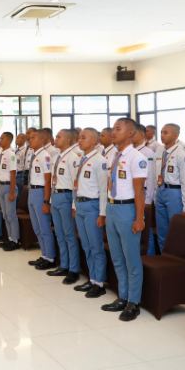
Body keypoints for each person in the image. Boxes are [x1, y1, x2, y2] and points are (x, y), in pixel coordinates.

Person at [103, 118, 148, 322]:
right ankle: (122, 296)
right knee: (117, 257)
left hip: (127, 209)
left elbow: (139, 192)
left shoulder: (136, 157)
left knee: (131, 259)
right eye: (113, 128)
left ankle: (134, 302)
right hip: (112, 207)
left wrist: (140, 218)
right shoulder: (114, 155)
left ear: (130, 133)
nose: (113, 132)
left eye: (118, 129)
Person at [72, 128, 108, 298]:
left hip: (93, 206)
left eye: (83, 138)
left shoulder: (100, 161)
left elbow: (103, 190)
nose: (79, 140)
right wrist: (74, 205)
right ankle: (92, 278)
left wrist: (102, 214)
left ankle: (99, 283)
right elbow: (76, 185)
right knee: (86, 245)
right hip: (80, 205)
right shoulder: (82, 158)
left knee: (96, 246)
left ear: (94, 141)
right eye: (79, 138)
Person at [49, 129, 82, 284]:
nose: (56, 138)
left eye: (59, 137)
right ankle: (64, 264)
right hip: (56, 195)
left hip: (67, 196)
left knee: (69, 234)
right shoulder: (57, 156)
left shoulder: (73, 158)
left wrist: (74, 204)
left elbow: (77, 184)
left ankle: (73, 269)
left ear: (68, 140)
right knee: (59, 233)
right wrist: (50, 199)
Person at [154, 123, 185, 252]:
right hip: (160, 190)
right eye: (162, 132)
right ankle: (164, 256)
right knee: (161, 228)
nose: (162, 135)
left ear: (176, 135)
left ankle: (176, 257)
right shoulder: (160, 152)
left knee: (175, 228)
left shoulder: (182, 154)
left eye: (166, 133)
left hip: (174, 192)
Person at [27, 129, 58, 271]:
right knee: (37, 227)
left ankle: (50, 257)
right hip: (32, 191)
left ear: (41, 140)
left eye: (33, 138)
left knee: (44, 227)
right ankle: (44, 254)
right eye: (30, 138)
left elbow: (47, 180)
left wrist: (46, 201)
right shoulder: (34, 155)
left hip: (40, 192)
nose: (30, 140)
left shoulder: (44, 155)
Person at [133, 123, 158, 254]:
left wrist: (148, 201)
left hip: (144, 197)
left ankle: (150, 256)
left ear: (142, 135)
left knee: (146, 231)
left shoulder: (148, 153)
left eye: (134, 133)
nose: (130, 136)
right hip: (132, 196)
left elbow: (151, 179)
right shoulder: (130, 152)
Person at [0, 132, 20, 251]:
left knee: (11, 215)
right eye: (0, 138)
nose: (0, 140)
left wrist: (12, 192)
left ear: (9, 140)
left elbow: (13, 174)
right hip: (1, 186)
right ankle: (10, 238)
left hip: (8, 187)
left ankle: (15, 240)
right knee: (5, 215)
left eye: (2, 138)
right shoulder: (1, 154)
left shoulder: (11, 154)